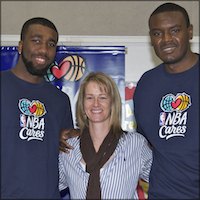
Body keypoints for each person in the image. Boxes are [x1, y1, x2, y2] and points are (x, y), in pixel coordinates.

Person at [1, 17, 73, 199]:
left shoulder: (60, 100)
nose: (43, 49)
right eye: (36, 40)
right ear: (20, 45)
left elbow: (67, 152)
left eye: (51, 44)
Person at [133, 3, 199, 199]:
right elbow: (145, 143)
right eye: (157, 33)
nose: (166, 39)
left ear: (190, 32)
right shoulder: (147, 84)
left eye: (175, 30)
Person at [59, 72, 152, 199]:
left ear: (113, 103)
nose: (96, 104)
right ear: (82, 104)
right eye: (90, 97)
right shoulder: (68, 148)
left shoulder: (136, 144)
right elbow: (48, 185)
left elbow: (163, 181)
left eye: (102, 97)